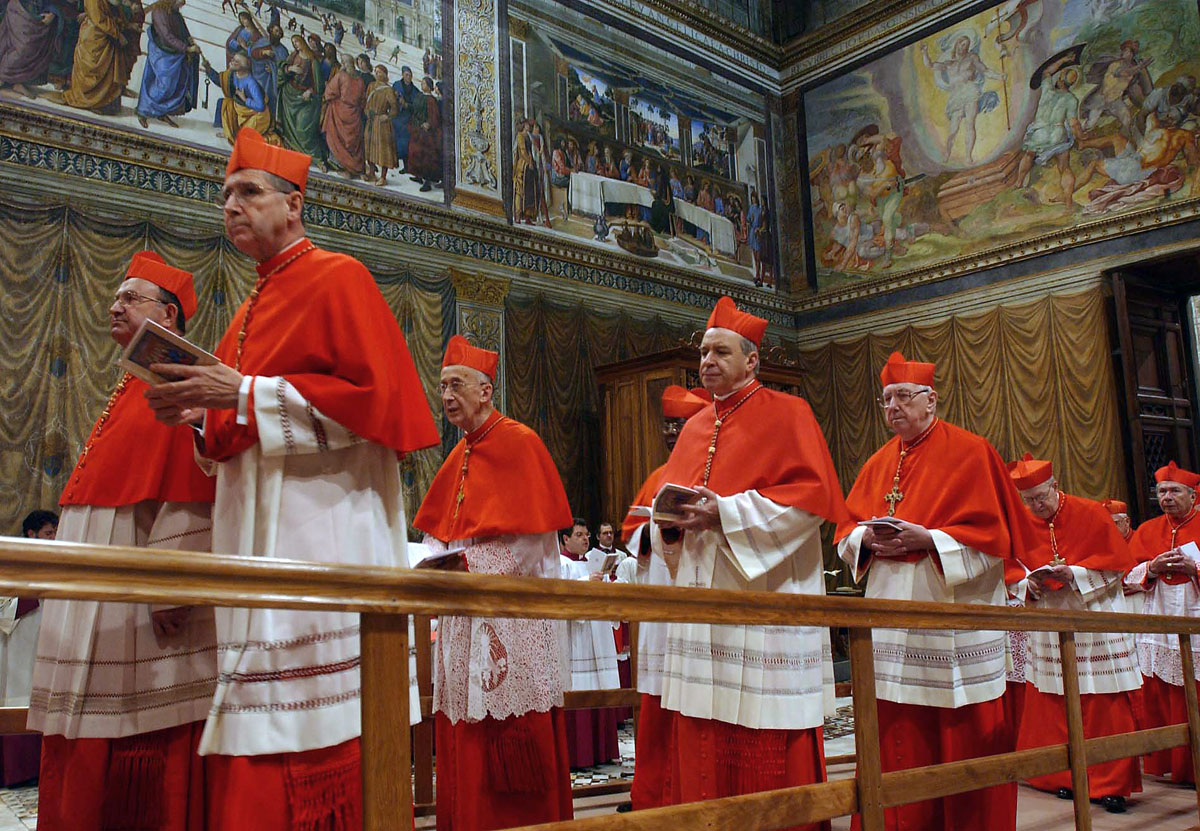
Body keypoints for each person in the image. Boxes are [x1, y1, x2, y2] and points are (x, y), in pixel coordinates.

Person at [143, 128, 439, 828]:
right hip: (256, 545)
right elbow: (238, 428)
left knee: (305, 752)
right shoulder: (246, 310)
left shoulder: (341, 278)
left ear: (294, 204)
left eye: (248, 191)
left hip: (321, 537)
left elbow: (373, 406)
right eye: (224, 195)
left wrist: (240, 394)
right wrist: (197, 412)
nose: (230, 205)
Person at [28, 252, 217, 831]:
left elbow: (188, 494)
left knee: (137, 741)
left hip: (144, 613)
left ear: (169, 317)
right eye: (115, 295)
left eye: (130, 297)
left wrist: (171, 588)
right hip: (97, 597)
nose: (114, 304)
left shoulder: (177, 391)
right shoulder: (126, 390)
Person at [652, 297, 848, 826]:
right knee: (704, 723)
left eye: (719, 352)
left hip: (764, 607)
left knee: (763, 723)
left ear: (752, 360)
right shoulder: (695, 428)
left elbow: (811, 500)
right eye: (703, 353)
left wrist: (728, 514)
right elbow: (672, 508)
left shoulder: (789, 413)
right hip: (704, 601)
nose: (707, 362)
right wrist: (670, 521)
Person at [835, 351, 1027, 831]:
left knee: (960, 736)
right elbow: (845, 531)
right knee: (897, 734)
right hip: (892, 620)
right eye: (886, 400)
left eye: (903, 396)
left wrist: (932, 540)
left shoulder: (971, 452)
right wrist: (867, 540)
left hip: (952, 623)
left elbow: (997, 541)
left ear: (931, 400)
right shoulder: (879, 463)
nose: (893, 407)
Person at [412, 334, 574, 830]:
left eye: (456, 385)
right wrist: (437, 563)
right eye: (441, 387)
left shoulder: (520, 443)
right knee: (466, 731)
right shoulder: (457, 455)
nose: (446, 396)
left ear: (486, 390)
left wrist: (475, 570)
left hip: (512, 620)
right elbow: (442, 533)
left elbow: (537, 544)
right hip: (464, 620)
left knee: (510, 733)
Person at [1008, 455, 1141, 813]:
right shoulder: (1022, 521)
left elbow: (1117, 565)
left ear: (1054, 486)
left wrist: (1076, 575)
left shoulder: (1089, 512)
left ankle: (1110, 783)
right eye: (1029, 501)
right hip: (1052, 619)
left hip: (1094, 619)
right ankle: (1062, 777)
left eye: (1041, 497)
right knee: (1054, 700)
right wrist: (1030, 584)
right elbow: (1011, 571)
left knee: (1103, 701)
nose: (1037, 506)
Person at [617, 385, 708, 811]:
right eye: (668, 424)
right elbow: (630, 534)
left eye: (682, 423)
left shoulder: (714, 474)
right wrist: (656, 531)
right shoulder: (658, 476)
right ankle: (651, 793)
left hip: (700, 602)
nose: (673, 432)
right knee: (656, 703)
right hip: (661, 605)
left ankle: (689, 790)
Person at [1126, 461, 1200, 784]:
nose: (1167, 497)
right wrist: (1152, 568)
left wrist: (1195, 567)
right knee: (1162, 691)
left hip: (1193, 614)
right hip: (1160, 619)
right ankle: (1168, 763)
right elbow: (1125, 576)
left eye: (1174, 491)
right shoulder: (1147, 530)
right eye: (1162, 491)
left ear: (1193, 496)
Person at [559, 519, 622, 767]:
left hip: (599, 635)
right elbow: (561, 599)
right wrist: (588, 585)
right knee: (580, 688)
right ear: (565, 539)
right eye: (578, 534)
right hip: (578, 638)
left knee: (600, 687)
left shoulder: (594, 563)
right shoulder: (561, 565)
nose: (585, 539)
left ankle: (603, 750)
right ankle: (579, 752)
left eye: (586, 534)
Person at [0, 511, 56, 787]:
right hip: (19, 644)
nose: (54, 538)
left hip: (48, 641)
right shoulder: (12, 561)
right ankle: (18, 770)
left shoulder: (62, 561)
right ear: (31, 534)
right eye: (48, 533)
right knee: (19, 696)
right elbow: (3, 607)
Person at [60, 0, 143, 114]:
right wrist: (118, 35)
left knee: (107, 74)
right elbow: (100, 19)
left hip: (107, 39)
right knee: (93, 71)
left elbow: (113, 15)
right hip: (94, 37)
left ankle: (102, 103)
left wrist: (128, 25)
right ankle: (90, 102)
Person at [135, 0, 199, 128]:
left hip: (175, 53)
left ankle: (161, 112)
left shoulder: (176, 14)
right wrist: (187, 49)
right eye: (180, 1)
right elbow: (166, 36)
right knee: (164, 85)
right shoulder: (159, 11)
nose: (182, 4)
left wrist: (190, 42)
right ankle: (143, 111)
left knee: (175, 84)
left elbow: (184, 32)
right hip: (162, 52)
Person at [275, 34, 325, 165]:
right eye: (293, 42)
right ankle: (291, 151)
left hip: (304, 99)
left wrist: (310, 91)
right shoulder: (293, 56)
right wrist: (289, 68)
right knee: (287, 127)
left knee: (302, 129)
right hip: (289, 94)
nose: (295, 45)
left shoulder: (313, 61)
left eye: (297, 42)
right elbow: (282, 68)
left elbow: (319, 85)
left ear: (302, 42)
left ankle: (316, 158)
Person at [0, 0, 63, 99]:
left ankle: (16, 82)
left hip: (36, 13)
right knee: (23, 48)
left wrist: (53, 13)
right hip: (17, 9)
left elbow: (51, 3)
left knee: (34, 46)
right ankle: (2, 77)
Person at [203, 50, 270, 144]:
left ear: (244, 67)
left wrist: (244, 99)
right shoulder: (232, 74)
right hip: (239, 107)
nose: (232, 62)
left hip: (254, 114)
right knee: (225, 103)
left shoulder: (251, 83)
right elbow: (220, 81)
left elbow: (260, 106)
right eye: (233, 60)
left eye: (236, 62)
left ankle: (233, 133)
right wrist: (208, 69)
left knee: (242, 139)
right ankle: (227, 131)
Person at [321, 53, 366, 178]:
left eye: (343, 62)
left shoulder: (341, 75)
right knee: (351, 142)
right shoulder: (360, 79)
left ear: (346, 64)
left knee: (336, 138)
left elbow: (329, 92)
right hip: (354, 114)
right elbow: (363, 100)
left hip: (339, 111)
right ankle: (353, 168)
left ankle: (342, 166)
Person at [364, 64, 398, 186]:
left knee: (384, 150)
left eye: (379, 72)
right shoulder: (371, 86)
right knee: (368, 146)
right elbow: (366, 102)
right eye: (376, 72)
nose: (377, 74)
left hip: (382, 123)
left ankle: (383, 177)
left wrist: (387, 117)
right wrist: (367, 112)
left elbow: (394, 109)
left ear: (385, 74)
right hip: (371, 121)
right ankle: (372, 172)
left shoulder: (388, 90)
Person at [406, 75, 441, 192]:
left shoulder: (431, 100)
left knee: (426, 155)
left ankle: (427, 181)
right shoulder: (419, 96)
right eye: (421, 83)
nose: (422, 85)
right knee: (415, 152)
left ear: (429, 86)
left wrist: (429, 124)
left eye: (424, 84)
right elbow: (414, 109)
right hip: (416, 128)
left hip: (426, 132)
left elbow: (434, 117)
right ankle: (418, 176)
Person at [391, 65, 417, 174]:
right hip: (396, 117)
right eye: (406, 75)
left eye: (410, 75)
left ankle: (406, 166)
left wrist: (406, 105)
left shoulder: (415, 90)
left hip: (406, 119)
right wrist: (395, 97)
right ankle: (394, 161)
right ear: (402, 75)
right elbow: (391, 98)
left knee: (405, 142)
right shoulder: (396, 85)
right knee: (394, 139)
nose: (408, 77)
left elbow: (415, 107)